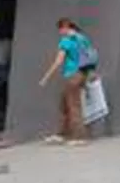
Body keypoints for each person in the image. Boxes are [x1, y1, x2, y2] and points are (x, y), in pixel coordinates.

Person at [37, 18, 95, 146]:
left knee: (73, 105)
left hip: (72, 75)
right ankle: (61, 134)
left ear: (65, 27)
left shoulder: (66, 41)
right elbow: (90, 56)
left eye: (60, 29)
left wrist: (46, 77)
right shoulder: (82, 39)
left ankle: (79, 137)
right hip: (82, 74)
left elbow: (58, 61)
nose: (60, 32)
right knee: (64, 104)